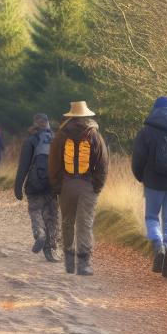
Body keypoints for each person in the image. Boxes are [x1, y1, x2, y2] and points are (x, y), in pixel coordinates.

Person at [131, 96, 167, 278]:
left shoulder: (147, 131)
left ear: (155, 109)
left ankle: (158, 245)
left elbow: (138, 158)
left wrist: (141, 177)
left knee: (151, 216)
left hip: (153, 183)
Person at [49, 101, 107, 277]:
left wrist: (57, 186)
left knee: (68, 221)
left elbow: (54, 163)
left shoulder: (61, 135)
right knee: (85, 224)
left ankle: (68, 259)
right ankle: (83, 264)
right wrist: (97, 186)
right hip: (87, 185)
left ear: (71, 115)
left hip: (67, 184)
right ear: (87, 116)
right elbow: (103, 164)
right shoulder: (94, 135)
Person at [13, 112, 59, 262]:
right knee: (52, 215)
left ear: (35, 124)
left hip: (34, 182)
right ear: (47, 123)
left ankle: (39, 233)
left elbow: (23, 166)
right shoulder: (57, 139)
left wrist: (18, 187)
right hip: (53, 184)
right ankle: (50, 250)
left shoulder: (31, 140)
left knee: (35, 210)